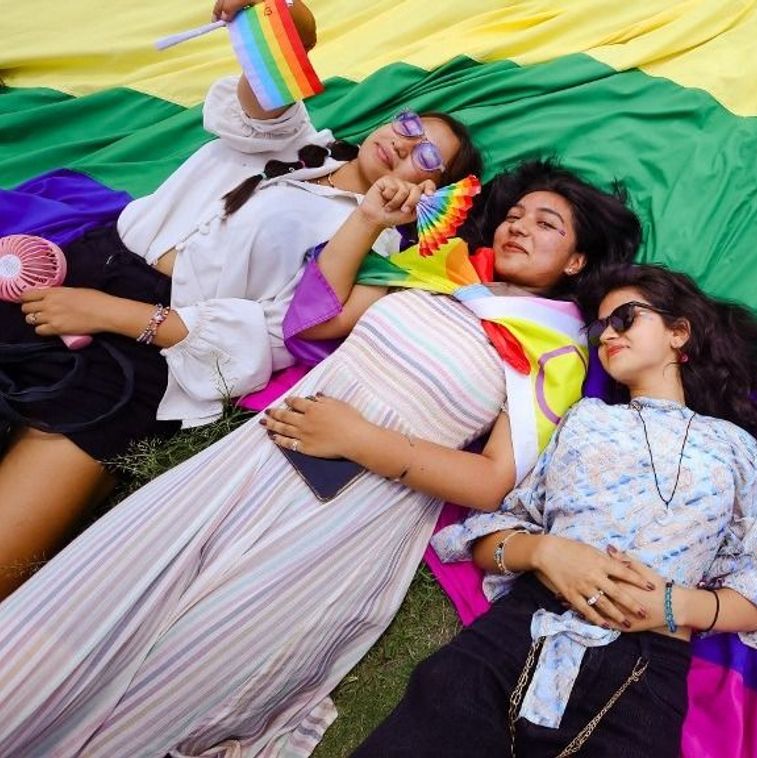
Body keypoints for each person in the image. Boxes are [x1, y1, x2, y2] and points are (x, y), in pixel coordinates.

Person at [0, 162, 640, 756]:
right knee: (108, 590)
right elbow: (313, 320)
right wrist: (366, 218)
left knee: (196, 658)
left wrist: (359, 439)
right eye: (516, 214)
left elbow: (492, 479)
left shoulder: (555, 352)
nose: (519, 226)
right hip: (258, 458)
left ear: (578, 260)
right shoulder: (440, 275)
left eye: (546, 224)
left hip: (354, 503)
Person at [0, 0, 483, 598]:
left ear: (431, 190)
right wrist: (279, 11)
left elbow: (278, 337)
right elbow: (275, 77)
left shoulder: (377, 257)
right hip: (91, 265)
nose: (404, 147)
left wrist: (113, 315)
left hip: (153, 351)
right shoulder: (297, 139)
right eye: (409, 128)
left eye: (426, 158)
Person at [355, 264, 757, 757]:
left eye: (626, 318)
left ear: (680, 333)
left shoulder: (736, 448)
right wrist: (545, 551)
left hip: (643, 677)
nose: (608, 334)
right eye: (599, 327)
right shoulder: (584, 419)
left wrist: (676, 606)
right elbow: (493, 535)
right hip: (518, 633)